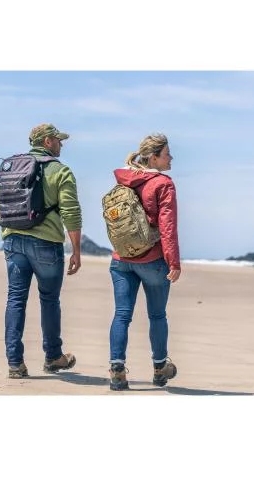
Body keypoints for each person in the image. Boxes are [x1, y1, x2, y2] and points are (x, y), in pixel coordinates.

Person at [0, 123, 82, 379]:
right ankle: (53, 357)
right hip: (46, 244)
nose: (62, 144)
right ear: (47, 141)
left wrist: (12, 231)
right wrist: (76, 250)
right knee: (49, 299)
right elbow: (71, 212)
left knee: (15, 299)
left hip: (13, 241)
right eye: (59, 140)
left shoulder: (12, 167)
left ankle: (15, 363)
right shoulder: (60, 171)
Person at [108, 133, 181, 391]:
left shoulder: (124, 179)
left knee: (122, 314)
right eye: (167, 154)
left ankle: (117, 371)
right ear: (153, 157)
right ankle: (160, 368)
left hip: (121, 259)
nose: (171, 158)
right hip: (152, 259)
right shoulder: (163, 184)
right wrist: (174, 262)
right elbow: (167, 227)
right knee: (157, 315)